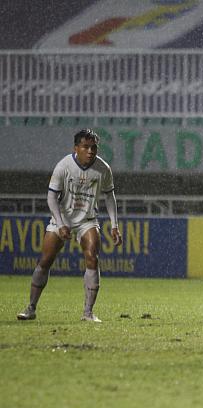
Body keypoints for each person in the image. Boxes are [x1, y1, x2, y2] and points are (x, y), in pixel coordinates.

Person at [17, 128, 122, 322]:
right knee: (46, 260)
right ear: (76, 148)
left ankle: (88, 313)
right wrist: (61, 222)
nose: (90, 151)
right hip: (62, 218)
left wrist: (114, 225)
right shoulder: (64, 166)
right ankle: (31, 308)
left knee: (92, 257)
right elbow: (51, 196)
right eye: (86, 147)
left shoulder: (103, 169)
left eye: (94, 147)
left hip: (87, 220)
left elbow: (110, 196)